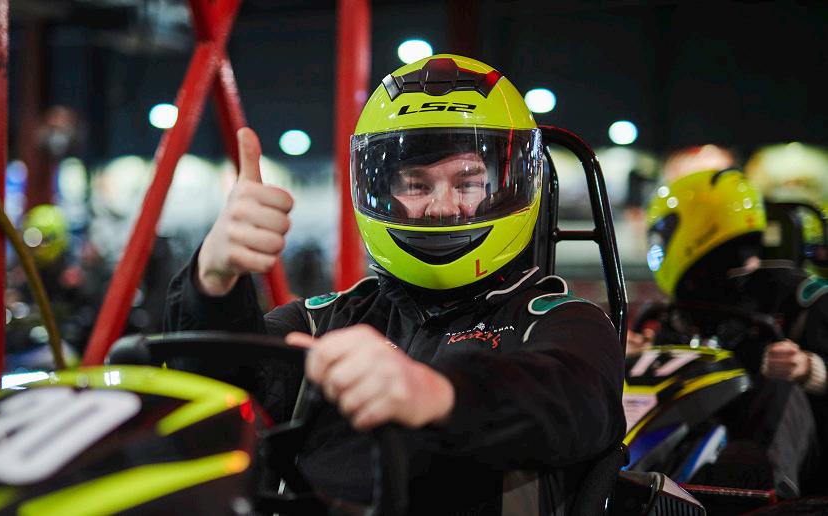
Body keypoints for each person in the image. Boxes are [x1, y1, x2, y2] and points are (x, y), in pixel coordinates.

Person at [164, 55, 625, 514]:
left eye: (468, 183)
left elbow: (575, 405)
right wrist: (213, 280)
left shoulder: (560, 322)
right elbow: (210, 398)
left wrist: (436, 393)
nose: (442, 209)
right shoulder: (323, 322)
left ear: (511, 187)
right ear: (381, 193)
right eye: (416, 186)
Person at [634, 168, 828, 494]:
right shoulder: (681, 310)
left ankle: (757, 501)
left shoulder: (803, 297)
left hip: (796, 468)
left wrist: (809, 369)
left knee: (779, 391)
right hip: (698, 449)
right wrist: (638, 360)